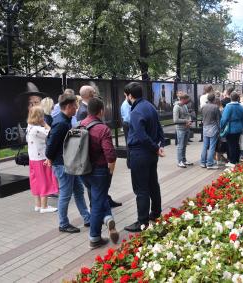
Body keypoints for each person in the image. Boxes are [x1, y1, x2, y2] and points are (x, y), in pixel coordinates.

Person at [45, 91, 91, 233]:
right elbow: (51, 144)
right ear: (69, 106)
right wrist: (50, 157)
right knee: (65, 194)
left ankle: (87, 218)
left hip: (68, 163)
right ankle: (63, 224)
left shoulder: (63, 120)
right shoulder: (61, 123)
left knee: (78, 190)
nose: (77, 109)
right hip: (62, 164)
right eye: (75, 106)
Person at [124, 82, 165, 233]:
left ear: (130, 95)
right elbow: (159, 127)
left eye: (126, 95)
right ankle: (155, 213)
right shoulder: (150, 106)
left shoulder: (136, 112)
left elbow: (141, 136)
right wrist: (160, 145)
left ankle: (142, 222)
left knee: (141, 189)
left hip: (140, 154)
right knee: (153, 184)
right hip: (151, 154)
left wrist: (156, 147)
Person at [80, 97, 119, 248]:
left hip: (83, 170)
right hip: (99, 171)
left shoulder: (79, 125)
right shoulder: (102, 129)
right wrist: (111, 171)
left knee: (97, 196)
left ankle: (108, 217)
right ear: (101, 111)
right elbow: (110, 154)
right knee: (97, 202)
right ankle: (94, 238)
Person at [76, 86, 122, 208]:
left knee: (98, 192)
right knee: (95, 195)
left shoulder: (88, 108)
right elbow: (86, 138)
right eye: (94, 92)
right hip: (92, 161)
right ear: (90, 94)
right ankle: (97, 208)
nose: (96, 93)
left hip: (92, 161)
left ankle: (104, 204)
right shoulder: (82, 112)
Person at [26, 106, 58, 213]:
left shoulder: (29, 127)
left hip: (33, 159)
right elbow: (52, 133)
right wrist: (45, 124)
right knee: (45, 180)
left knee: (35, 180)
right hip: (41, 158)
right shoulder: (38, 129)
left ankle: (38, 205)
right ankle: (44, 207)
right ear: (40, 116)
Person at [220, 92, 243, 167]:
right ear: (237, 98)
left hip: (231, 128)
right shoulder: (241, 107)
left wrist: (221, 127)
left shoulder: (228, 107)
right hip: (239, 127)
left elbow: (224, 119)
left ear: (231, 98)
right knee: (237, 144)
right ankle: (237, 160)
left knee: (231, 144)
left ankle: (232, 161)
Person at [200, 93, 220, 169]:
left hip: (205, 127)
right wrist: (219, 129)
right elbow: (218, 119)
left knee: (205, 145)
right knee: (212, 146)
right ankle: (210, 163)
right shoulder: (215, 107)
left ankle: (202, 162)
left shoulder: (203, 107)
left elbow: (202, 117)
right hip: (213, 128)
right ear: (214, 99)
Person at [173, 92, 193, 168]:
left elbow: (188, 114)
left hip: (186, 128)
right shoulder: (176, 107)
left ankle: (184, 160)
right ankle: (180, 161)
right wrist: (186, 121)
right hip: (180, 129)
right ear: (183, 99)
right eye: (186, 99)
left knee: (184, 145)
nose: (187, 101)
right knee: (180, 145)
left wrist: (189, 120)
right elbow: (175, 120)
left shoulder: (184, 105)